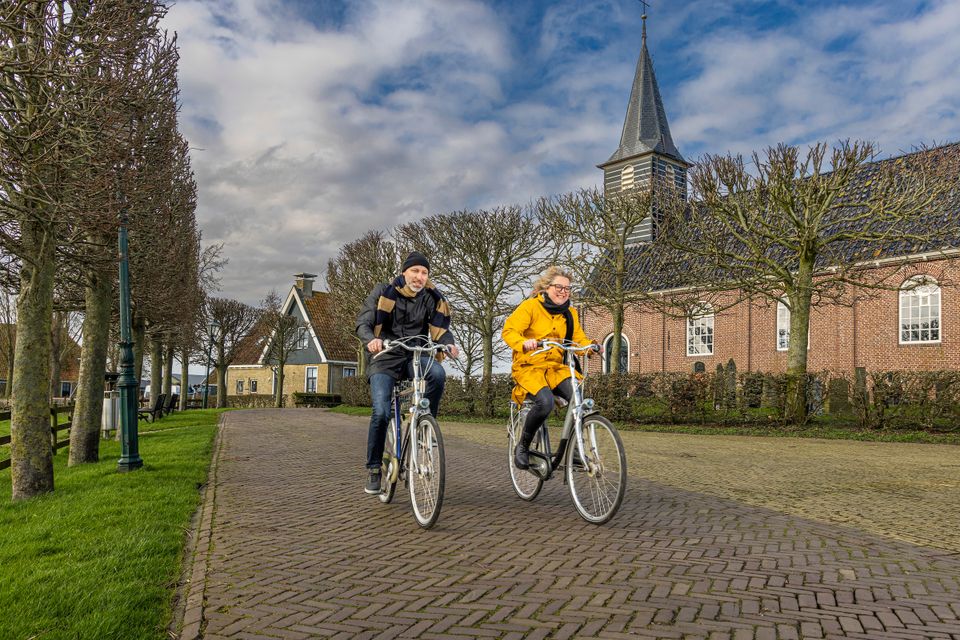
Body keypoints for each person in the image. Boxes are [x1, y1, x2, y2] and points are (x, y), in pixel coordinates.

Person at [356, 251, 459, 494]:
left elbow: (441, 330)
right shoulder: (383, 291)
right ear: (404, 272)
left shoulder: (432, 298)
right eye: (415, 271)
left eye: (424, 273)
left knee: (437, 374)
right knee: (381, 412)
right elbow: (364, 322)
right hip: (385, 357)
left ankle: (425, 423)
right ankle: (374, 468)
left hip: (415, 354)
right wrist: (371, 340)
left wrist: (449, 344)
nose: (419, 277)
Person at [501, 266, 595, 470]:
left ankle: (575, 450)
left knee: (577, 400)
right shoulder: (531, 307)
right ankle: (523, 446)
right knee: (545, 402)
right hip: (529, 367)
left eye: (567, 288)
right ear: (546, 287)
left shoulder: (570, 313)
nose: (563, 292)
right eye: (559, 287)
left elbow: (578, 338)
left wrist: (590, 347)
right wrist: (523, 342)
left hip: (555, 368)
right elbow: (509, 331)